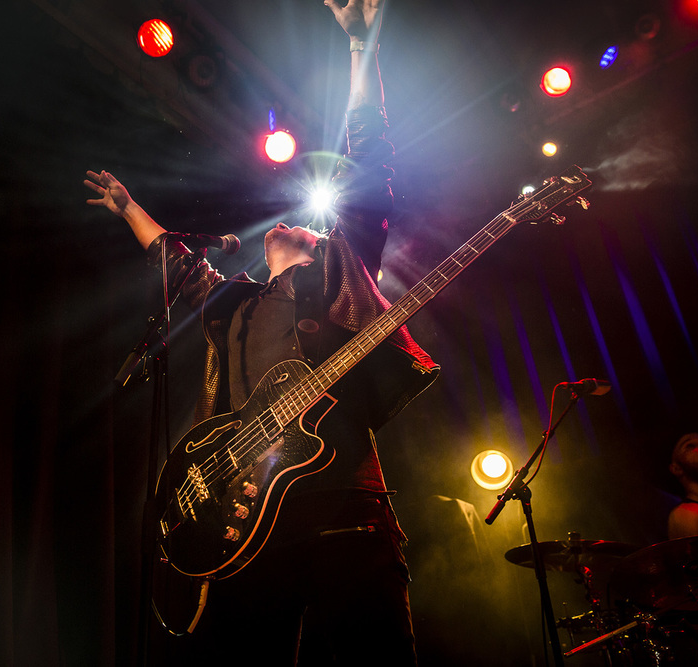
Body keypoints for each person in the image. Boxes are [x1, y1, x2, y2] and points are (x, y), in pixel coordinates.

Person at [85, 1, 438, 664]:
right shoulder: (236, 304)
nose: (290, 220)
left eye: (305, 224)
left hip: (342, 510)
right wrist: (130, 207)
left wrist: (362, 49)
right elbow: (178, 263)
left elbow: (373, 159)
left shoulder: (336, 261)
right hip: (247, 524)